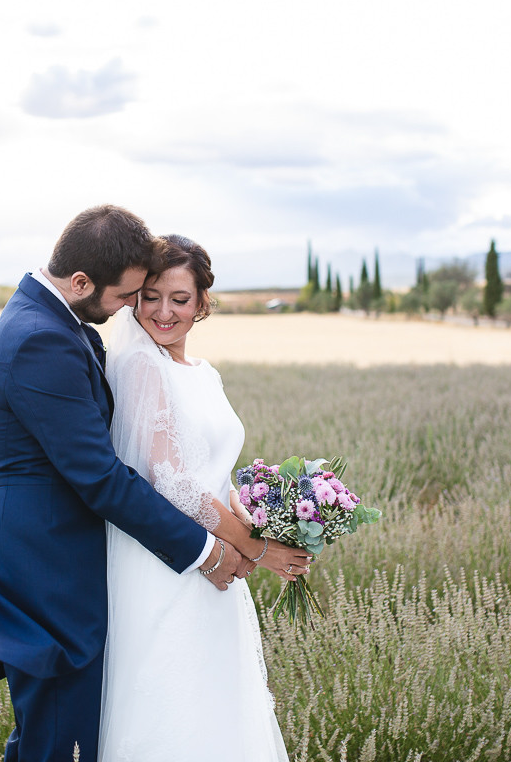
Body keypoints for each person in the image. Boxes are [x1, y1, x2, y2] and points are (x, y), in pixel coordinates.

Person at [0, 206, 306, 762]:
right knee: (56, 735)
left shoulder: (55, 324)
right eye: (128, 296)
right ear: (83, 282)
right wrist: (210, 550)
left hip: (68, 551)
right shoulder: (41, 337)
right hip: (46, 557)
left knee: (67, 728)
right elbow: (101, 475)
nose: (130, 311)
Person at [98, 233, 304, 761]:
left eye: (180, 299)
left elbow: (210, 474)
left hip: (218, 551)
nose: (163, 312)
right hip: (170, 560)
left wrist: (263, 522)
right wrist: (256, 550)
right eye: (150, 297)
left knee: (215, 702)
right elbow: (170, 480)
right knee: (175, 698)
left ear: (202, 304)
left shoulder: (203, 373)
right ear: (134, 299)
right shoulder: (143, 367)